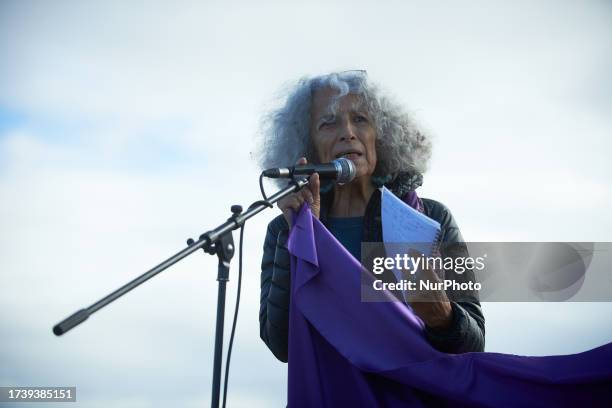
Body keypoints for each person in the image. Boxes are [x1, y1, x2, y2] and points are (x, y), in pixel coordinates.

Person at [257, 71, 484, 363]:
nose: (347, 132)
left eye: (361, 119)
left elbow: (474, 344)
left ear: (382, 135)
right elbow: (282, 346)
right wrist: (301, 234)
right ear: (308, 146)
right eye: (328, 123)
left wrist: (443, 316)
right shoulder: (284, 227)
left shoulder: (433, 217)